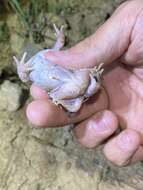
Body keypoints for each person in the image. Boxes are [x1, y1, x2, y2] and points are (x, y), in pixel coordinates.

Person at [26, 0, 143, 166]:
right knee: (66, 99)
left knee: (67, 97)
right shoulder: (43, 61)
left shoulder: (46, 58)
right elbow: (58, 49)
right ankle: (76, 99)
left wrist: (62, 39)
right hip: (73, 85)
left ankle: (75, 100)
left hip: (70, 84)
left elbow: (58, 49)